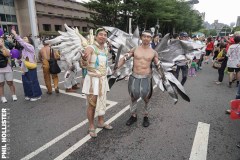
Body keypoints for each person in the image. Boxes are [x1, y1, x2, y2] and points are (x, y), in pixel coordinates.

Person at [115, 30, 160, 128]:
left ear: (151, 39)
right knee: (133, 97)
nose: (146, 38)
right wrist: (116, 67)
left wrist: (164, 77)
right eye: (144, 36)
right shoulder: (135, 49)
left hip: (146, 78)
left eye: (148, 37)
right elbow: (124, 58)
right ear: (141, 37)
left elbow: (158, 65)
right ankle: (133, 116)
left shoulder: (153, 52)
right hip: (134, 77)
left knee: (146, 99)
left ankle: (146, 116)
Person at [81, 28, 113, 138]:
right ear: (96, 36)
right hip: (93, 80)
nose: (103, 36)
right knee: (92, 104)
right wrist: (84, 59)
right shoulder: (90, 48)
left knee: (102, 101)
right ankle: (91, 126)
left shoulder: (105, 49)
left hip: (103, 79)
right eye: (100, 34)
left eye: (105, 35)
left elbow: (104, 64)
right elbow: (85, 62)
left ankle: (100, 122)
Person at [11, 29, 42, 101]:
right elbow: (22, 59)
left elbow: (23, 43)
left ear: (29, 41)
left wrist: (15, 34)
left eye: (25, 38)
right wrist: (18, 60)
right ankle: (28, 94)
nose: (23, 39)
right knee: (26, 82)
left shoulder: (30, 47)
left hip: (31, 67)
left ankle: (36, 95)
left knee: (32, 81)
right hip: (24, 68)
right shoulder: (24, 49)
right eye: (23, 38)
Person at [0, 37, 17, 103]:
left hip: (7, 68)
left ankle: (13, 95)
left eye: (1, 41)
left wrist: (3, 46)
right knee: (1, 84)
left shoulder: (6, 49)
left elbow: (9, 55)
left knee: (10, 82)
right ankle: (3, 97)